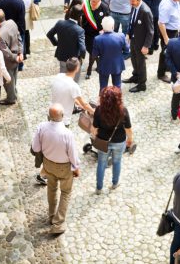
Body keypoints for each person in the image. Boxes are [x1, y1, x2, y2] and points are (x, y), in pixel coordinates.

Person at [31, 103, 81, 236]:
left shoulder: (41, 127)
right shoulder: (67, 133)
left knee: (51, 189)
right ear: (63, 116)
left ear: (48, 116)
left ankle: (52, 216)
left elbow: (35, 148)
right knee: (65, 192)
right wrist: (76, 167)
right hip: (64, 168)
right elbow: (73, 154)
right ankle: (58, 224)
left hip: (48, 164)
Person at [91, 86, 133, 194]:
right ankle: (115, 183)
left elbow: (94, 128)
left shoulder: (99, 110)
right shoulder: (123, 111)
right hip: (119, 142)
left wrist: (94, 137)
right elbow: (128, 129)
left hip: (103, 142)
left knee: (101, 163)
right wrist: (130, 140)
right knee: (117, 162)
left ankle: (99, 188)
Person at [124, 0, 156, 92]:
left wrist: (146, 46)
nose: (131, 3)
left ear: (139, 0)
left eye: (133, 1)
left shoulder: (145, 11)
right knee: (133, 59)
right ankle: (135, 76)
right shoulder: (134, 7)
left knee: (141, 63)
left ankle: (142, 84)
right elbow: (132, 21)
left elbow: (151, 31)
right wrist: (128, 33)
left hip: (141, 42)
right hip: (133, 39)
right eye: (130, 1)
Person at [49, 58, 93, 128]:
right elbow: (84, 104)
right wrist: (93, 111)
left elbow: (69, 95)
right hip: (62, 119)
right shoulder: (74, 86)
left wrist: (79, 105)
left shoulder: (58, 76)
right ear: (77, 68)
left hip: (51, 113)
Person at [47, 8, 87, 82]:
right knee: (74, 81)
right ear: (80, 17)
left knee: (63, 78)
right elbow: (82, 49)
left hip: (62, 56)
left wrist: (56, 43)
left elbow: (49, 34)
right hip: (74, 60)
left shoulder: (60, 23)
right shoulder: (79, 30)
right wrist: (82, 58)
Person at [78, 0, 110, 79]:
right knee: (90, 50)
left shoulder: (104, 7)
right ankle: (99, 63)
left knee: (93, 52)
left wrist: (104, 30)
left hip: (98, 34)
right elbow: (78, 17)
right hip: (86, 33)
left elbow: (108, 20)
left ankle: (89, 70)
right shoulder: (85, 4)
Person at [93, 16, 130, 92]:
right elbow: (127, 51)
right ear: (113, 26)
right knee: (117, 86)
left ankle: (103, 102)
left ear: (102, 26)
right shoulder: (121, 36)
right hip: (117, 65)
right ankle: (117, 102)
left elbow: (94, 54)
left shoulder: (98, 39)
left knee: (103, 87)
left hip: (104, 65)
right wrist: (120, 58)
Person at [0, 9, 22, 104]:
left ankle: (11, 98)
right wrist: (20, 52)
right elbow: (19, 38)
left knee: (8, 80)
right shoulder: (12, 22)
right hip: (16, 55)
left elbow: (5, 51)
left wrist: (15, 57)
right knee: (14, 76)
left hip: (8, 60)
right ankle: (14, 92)